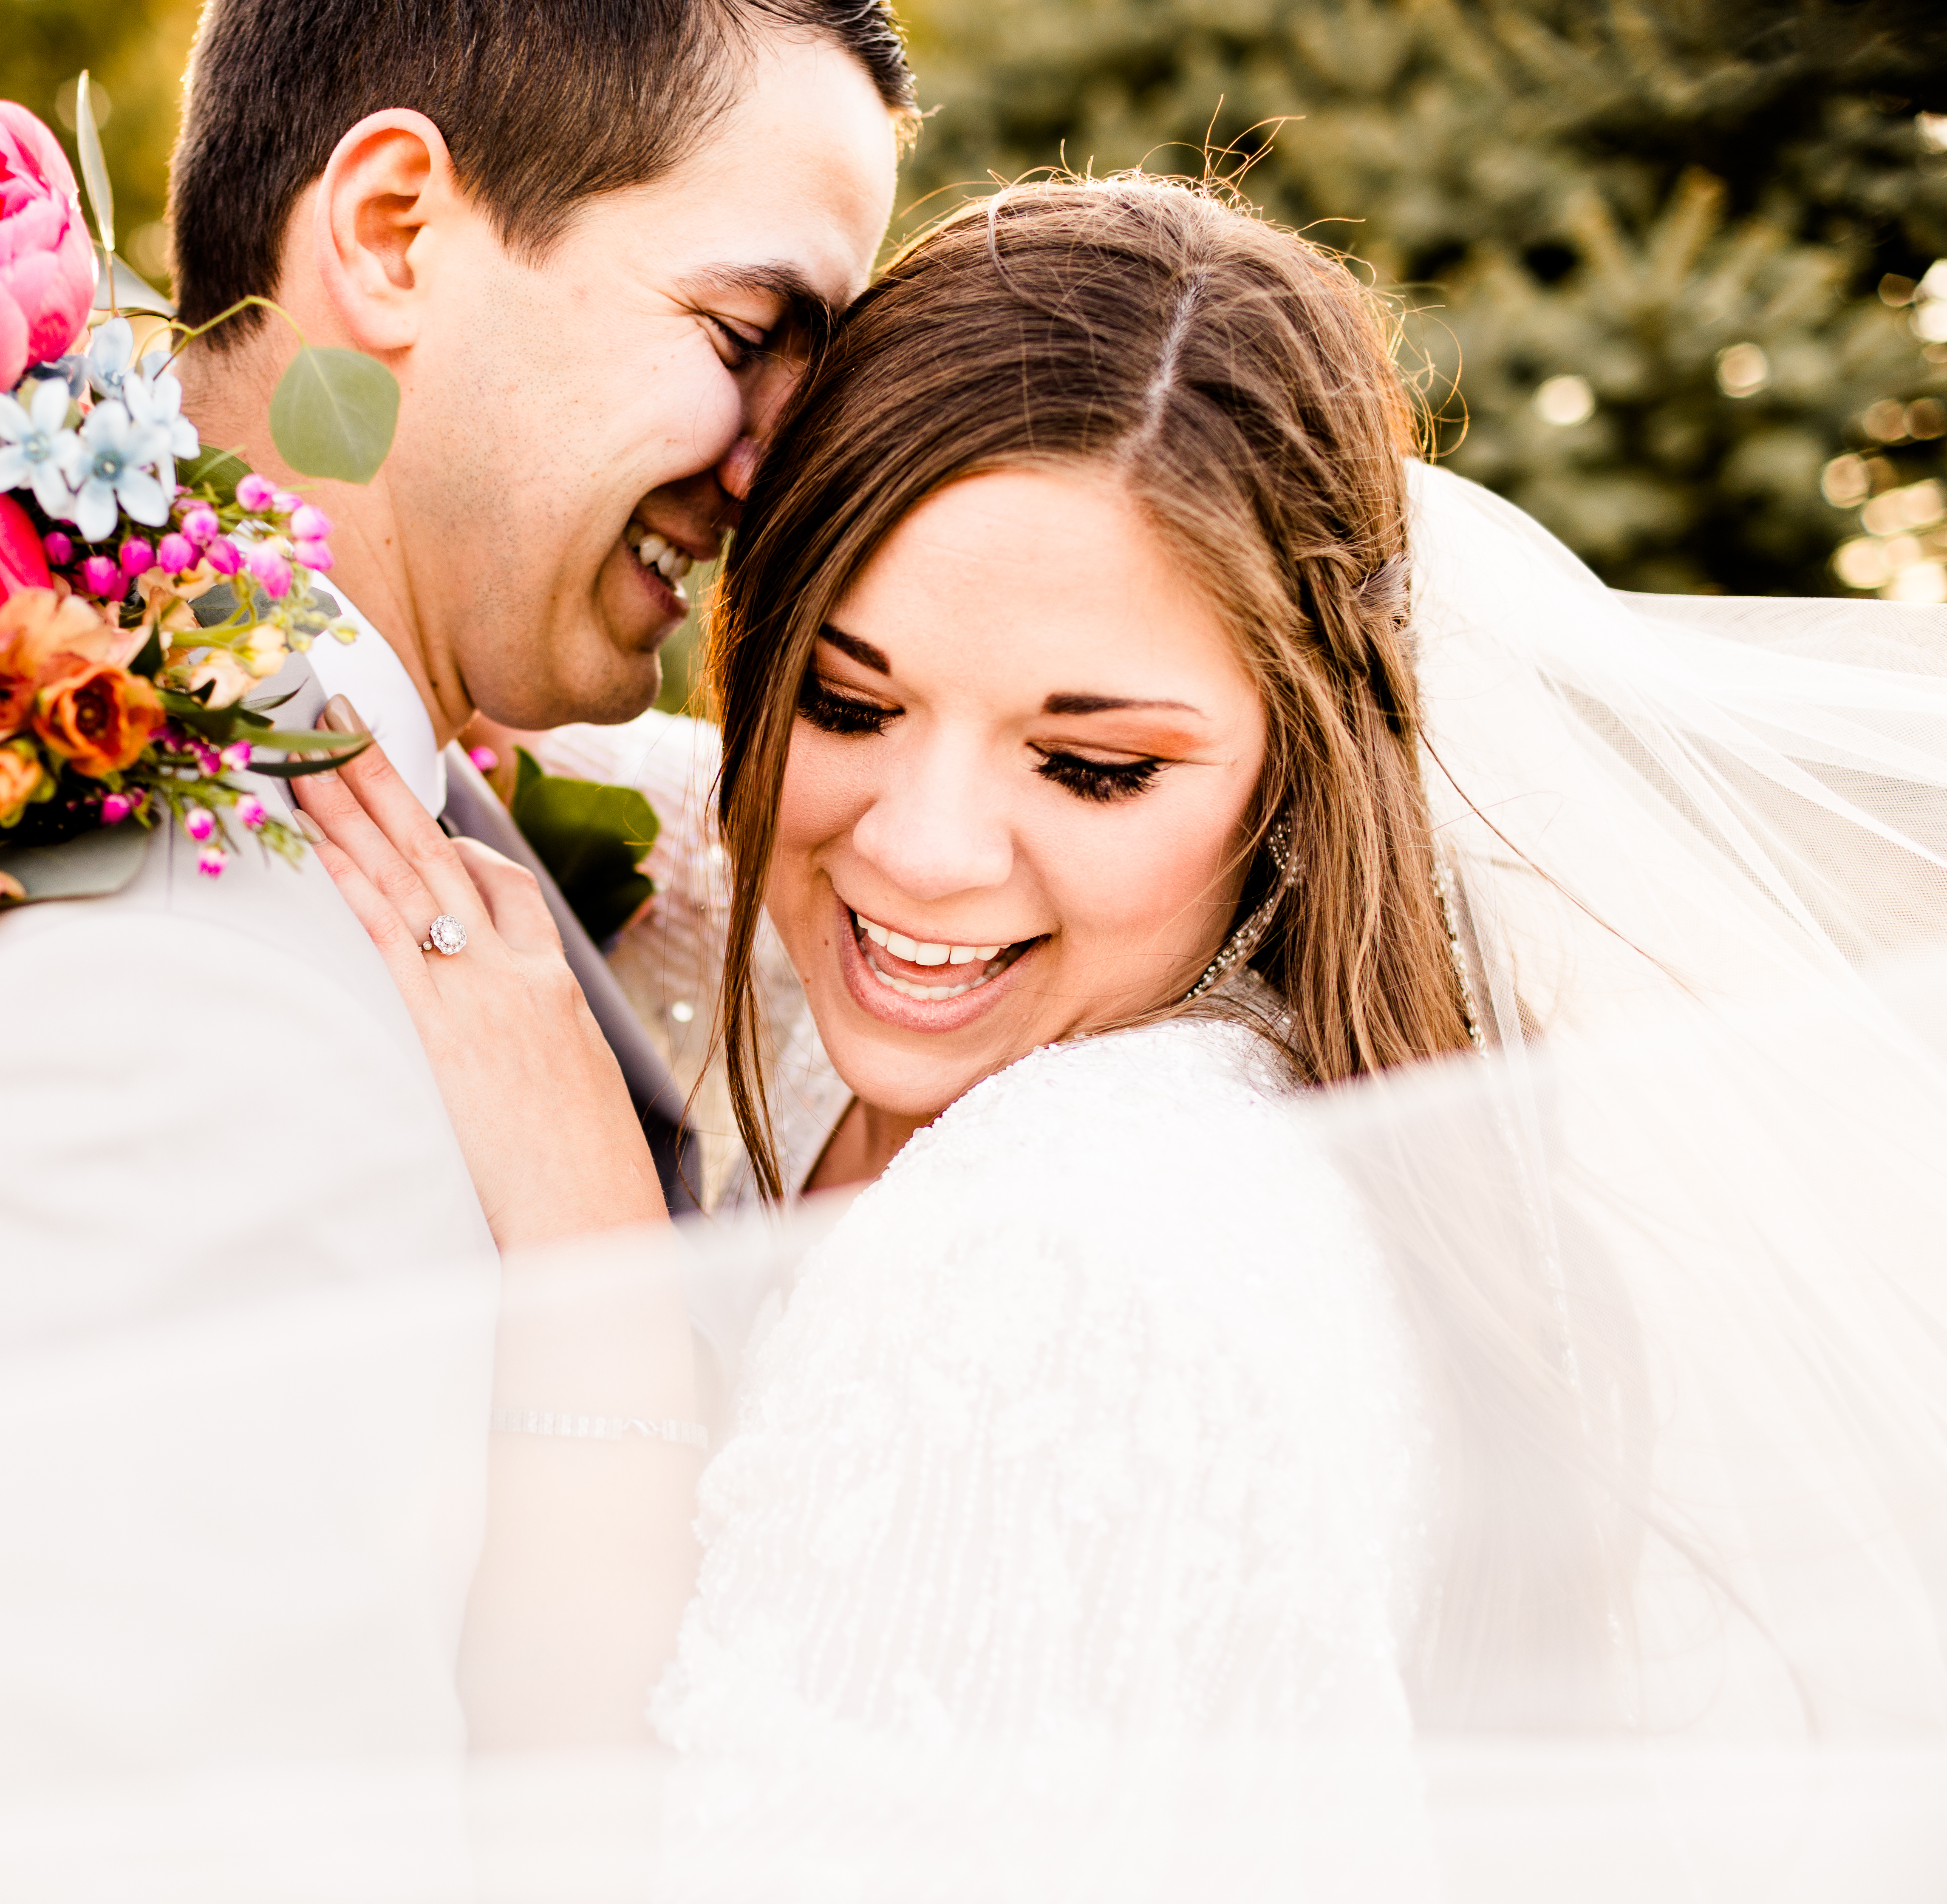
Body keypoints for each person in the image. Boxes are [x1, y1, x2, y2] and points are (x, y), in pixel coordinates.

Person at [299, 176, 1947, 1897]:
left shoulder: (1070, 1263)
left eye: (1092, 767)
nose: (924, 848)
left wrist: (599, 1274)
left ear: (1298, 767)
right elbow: (647, 805)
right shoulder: (928, 972)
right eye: (851, 701)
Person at [0, 4, 908, 1898]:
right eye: (748, 339)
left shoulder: (380, 827)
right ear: (398, 227)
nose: (778, 469)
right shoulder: (129, 1030)